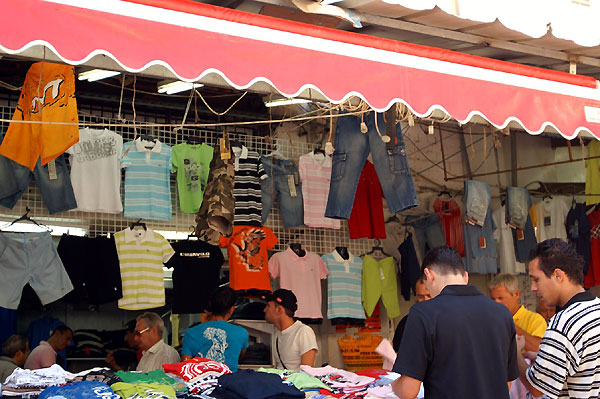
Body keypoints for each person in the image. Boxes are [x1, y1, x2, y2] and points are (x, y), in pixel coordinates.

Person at [392, 246, 518, 399]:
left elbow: (408, 391)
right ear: (465, 277)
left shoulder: (423, 313)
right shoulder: (502, 313)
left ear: (429, 275)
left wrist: (394, 385)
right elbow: (507, 382)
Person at [517, 239, 600, 399]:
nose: (533, 287)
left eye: (536, 279)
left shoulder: (563, 323)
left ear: (558, 275)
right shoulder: (596, 307)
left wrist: (515, 353)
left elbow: (537, 388)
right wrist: (545, 358)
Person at [181, 287, 249, 372]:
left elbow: (185, 364)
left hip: (200, 383)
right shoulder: (242, 333)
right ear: (231, 309)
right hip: (230, 383)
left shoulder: (191, 332)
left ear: (210, 304)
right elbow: (240, 356)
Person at [489, 273, 547, 352]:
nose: (496, 303)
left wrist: (510, 326)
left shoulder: (535, 320)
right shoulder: (489, 321)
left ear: (516, 294)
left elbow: (541, 349)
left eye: (500, 298)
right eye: (493, 299)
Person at [263, 289, 318, 371]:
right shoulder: (277, 333)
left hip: (294, 383)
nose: (264, 310)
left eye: (268, 306)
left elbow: (307, 373)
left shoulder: (303, 332)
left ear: (279, 310)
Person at [391, 276, 431, 352]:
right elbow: (396, 352)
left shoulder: (446, 320)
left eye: (429, 295)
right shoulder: (406, 322)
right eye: (421, 296)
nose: (425, 300)